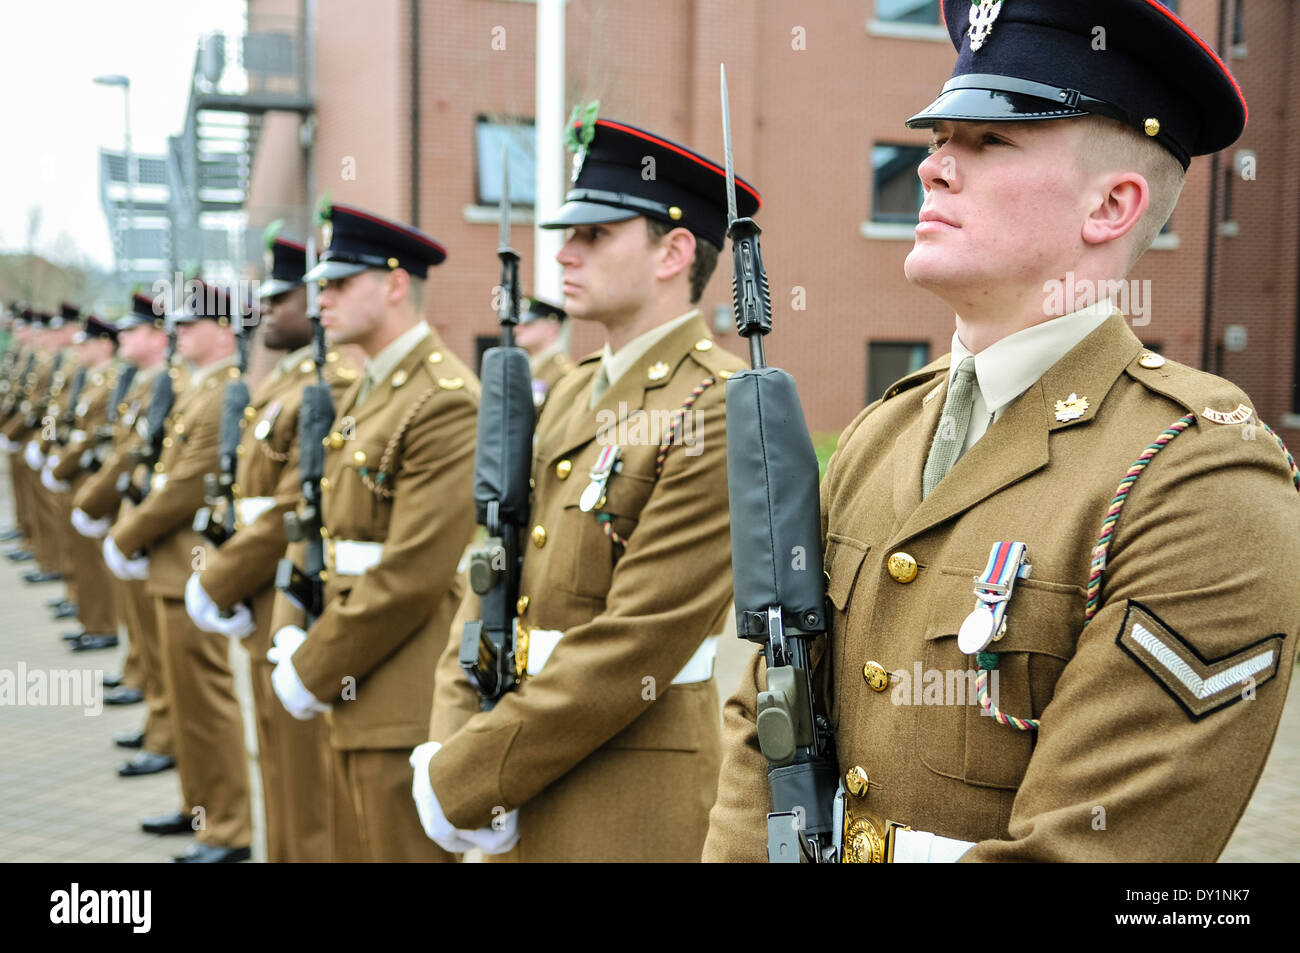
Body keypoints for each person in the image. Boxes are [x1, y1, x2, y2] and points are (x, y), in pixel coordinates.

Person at [704, 0, 1300, 863]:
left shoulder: (1203, 478)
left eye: (990, 141)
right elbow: (765, 710)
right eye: (939, 139)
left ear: (1112, 205)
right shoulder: (882, 431)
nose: (932, 169)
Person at [414, 115, 753, 862]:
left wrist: (470, 775)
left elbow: (638, 639)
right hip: (517, 761)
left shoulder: (720, 404)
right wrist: (450, 745)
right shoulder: (568, 393)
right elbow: (489, 574)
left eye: (595, 235)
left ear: (674, 251)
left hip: (625, 798)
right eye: (568, 232)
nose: (562, 252)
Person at [267, 202, 479, 862]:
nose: (319, 297)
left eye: (338, 282)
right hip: (352, 677)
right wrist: (288, 626)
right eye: (320, 284)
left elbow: (410, 574)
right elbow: (318, 526)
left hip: (400, 695)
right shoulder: (366, 387)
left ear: (394, 284)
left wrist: (313, 665)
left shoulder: (443, 397)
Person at [185, 231, 355, 862]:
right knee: (280, 767)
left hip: (291, 592)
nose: (263, 314)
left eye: (279, 299)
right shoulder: (281, 384)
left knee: (309, 789)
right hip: (265, 601)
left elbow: (291, 506)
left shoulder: (328, 382)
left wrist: (217, 579)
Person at [105, 281, 253, 862]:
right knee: (185, 702)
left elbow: (186, 485)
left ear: (223, 330)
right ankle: (201, 811)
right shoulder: (199, 388)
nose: (178, 333)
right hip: (170, 566)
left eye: (191, 325)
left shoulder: (225, 392)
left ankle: (229, 828)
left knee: (205, 703)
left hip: (193, 563)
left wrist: (127, 533)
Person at [516, 295, 574, 411]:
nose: (518, 329)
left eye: (528, 324)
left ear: (552, 328)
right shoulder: (525, 367)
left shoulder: (563, 373)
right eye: (518, 323)